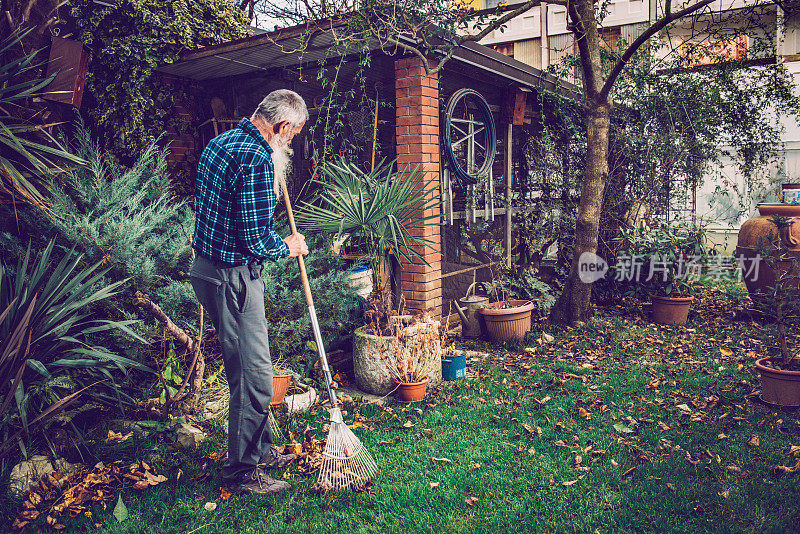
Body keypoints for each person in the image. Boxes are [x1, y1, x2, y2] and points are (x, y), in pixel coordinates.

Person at [190, 89, 309, 494]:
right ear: (280, 126)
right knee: (255, 376)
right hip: (234, 277)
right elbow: (254, 238)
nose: (291, 142)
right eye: (292, 134)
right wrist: (288, 246)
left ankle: (260, 451)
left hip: (208, 269)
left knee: (248, 367)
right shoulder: (258, 159)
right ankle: (242, 472)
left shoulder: (220, 142)